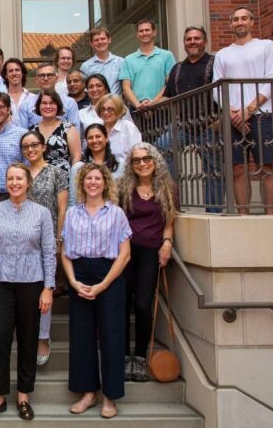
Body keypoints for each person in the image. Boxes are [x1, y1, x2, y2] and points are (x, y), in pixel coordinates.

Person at [0, 163, 56, 421]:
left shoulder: (42, 213)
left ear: (28, 182)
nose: (14, 183)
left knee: (29, 338)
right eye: (10, 178)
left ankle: (23, 395)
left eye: (19, 178)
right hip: (0, 282)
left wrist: (48, 287)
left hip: (32, 282)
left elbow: (49, 252)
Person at [62, 162, 131, 420]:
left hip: (109, 276)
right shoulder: (72, 214)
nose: (93, 182)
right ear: (82, 183)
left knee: (111, 335)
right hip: (79, 275)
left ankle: (110, 397)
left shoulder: (116, 214)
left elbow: (125, 254)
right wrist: (72, 281)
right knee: (82, 335)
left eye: (97, 178)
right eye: (88, 178)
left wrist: (103, 285)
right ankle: (87, 393)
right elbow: (65, 253)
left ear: (105, 183)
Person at [117, 143, 177, 383]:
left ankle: (140, 357)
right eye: (136, 160)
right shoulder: (124, 188)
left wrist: (167, 242)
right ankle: (122, 356)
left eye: (146, 159)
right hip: (124, 251)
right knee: (121, 303)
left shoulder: (168, 188)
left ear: (155, 161)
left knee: (143, 304)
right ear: (131, 165)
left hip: (151, 251)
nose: (142, 164)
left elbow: (169, 221)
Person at [213, 6, 273, 215]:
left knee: (266, 167)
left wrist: (248, 111)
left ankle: (270, 216)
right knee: (238, 168)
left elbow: (272, 80)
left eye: (244, 19)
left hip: (261, 115)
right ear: (231, 24)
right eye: (235, 19)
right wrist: (234, 113)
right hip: (233, 119)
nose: (240, 22)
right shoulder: (223, 54)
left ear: (252, 22)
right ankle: (243, 215)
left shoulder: (266, 46)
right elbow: (217, 88)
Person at [161, 26, 221, 213]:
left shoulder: (215, 63)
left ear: (205, 41)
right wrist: (147, 105)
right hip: (182, 126)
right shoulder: (177, 68)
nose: (192, 42)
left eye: (196, 38)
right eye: (189, 39)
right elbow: (168, 95)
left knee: (214, 170)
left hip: (209, 125)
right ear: (184, 43)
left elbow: (227, 93)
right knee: (160, 149)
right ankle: (174, 206)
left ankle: (214, 211)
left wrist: (219, 119)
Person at [21, 130, 68, 364]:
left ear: (44, 147)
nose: (30, 149)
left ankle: (42, 337)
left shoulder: (56, 173)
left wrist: (59, 239)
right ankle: (25, 333)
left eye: (34, 145)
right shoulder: (19, 173)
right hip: (21, 239)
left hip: (46, 238)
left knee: (45, 289)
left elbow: (61, 207)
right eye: (26, 146)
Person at [119, 19, 176, 111]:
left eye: (147, 30)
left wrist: (153, 102)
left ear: (154, 32)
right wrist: (138, 105)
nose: (144, 33)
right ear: (137, 34)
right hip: (136, 109)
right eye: (141, 31)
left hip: (161, 107)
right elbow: (126, 87)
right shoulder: (128, 59)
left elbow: (170, 83)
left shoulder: (167, 56)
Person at [69, 124, 125, 206]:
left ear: (106, 138)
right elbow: (73, 200)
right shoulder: (78, 168)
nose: (94, 140)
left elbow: (124, 197)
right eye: (90, 138)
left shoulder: (120, 165)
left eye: (98, 136)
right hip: (84, 216)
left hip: (114, 215)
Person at [16, 63, 80, 130]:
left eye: (50, 75)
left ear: (56, 78)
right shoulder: (26, 104)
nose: (46, 78)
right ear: (36, 80)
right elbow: (22, 133)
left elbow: (75, 131)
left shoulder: (69, 103)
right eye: (42, 75)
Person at [31, 89, 81, 173]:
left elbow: (76, 158)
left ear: (58, 106)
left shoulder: (68, 128)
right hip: (38, 180)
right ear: (38, 106)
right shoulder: (32, 131)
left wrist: (73, 181)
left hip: (64, 181)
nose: (48, 106)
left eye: (52, 103)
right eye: (44, 103)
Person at [78, 74, 134, 147]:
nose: (94, 89)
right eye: (91, 87)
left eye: (99, 85)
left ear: (106, 89)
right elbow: (79, 140)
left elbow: (130, 131)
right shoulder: (81, 113)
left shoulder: (120, 107)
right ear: (87, 91)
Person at [97, 94, 141, 164]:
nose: (105, 112)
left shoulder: (127, 127)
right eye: (103, 109)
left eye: (110, 109)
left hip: (125, 170)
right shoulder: (98, 129)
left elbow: (137, 153)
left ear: (118, 110)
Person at [80, 27, 125, 95]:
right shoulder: (86, 66)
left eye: (102, 39)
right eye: (96, 40)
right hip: (96, 104)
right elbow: (84, 89)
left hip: (116, 104)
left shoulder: (121, 62)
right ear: (91, 43)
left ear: (109, 40)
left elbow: (126, 86)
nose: (100, 42)